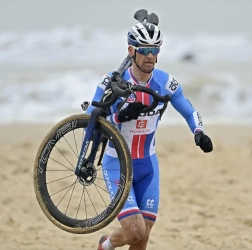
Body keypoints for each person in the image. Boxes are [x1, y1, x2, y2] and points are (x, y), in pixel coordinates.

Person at [86, 21, 213, 250]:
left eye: (155, 50)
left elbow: (189, 110)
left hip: (148, 165)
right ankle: (105, 246)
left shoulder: (165, 82)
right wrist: (120, 117)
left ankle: (104, 246)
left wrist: (199, 131)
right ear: (131, 50)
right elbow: (89, 122)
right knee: (134, 230)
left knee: (142, 236)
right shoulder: (113, 81)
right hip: (118, 163)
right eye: (144, 50)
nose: (150, 56)